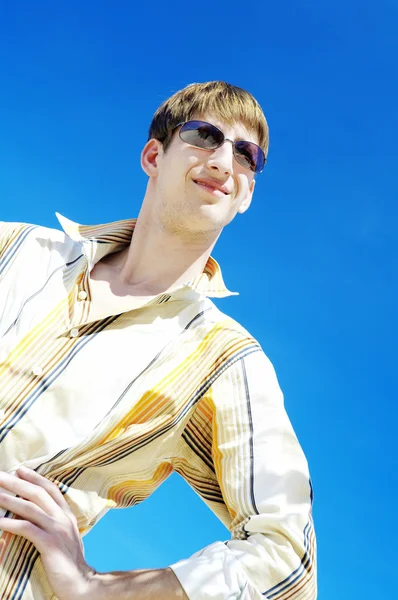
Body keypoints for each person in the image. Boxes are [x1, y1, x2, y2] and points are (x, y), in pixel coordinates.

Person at [0, 81, 317, 600]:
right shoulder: (15, 249)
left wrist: (95, 588)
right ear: (153, 154)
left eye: (246, 154)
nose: (223, 160)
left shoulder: (222, 358)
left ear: (247, 193)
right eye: (204, 135)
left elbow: (287, 560)